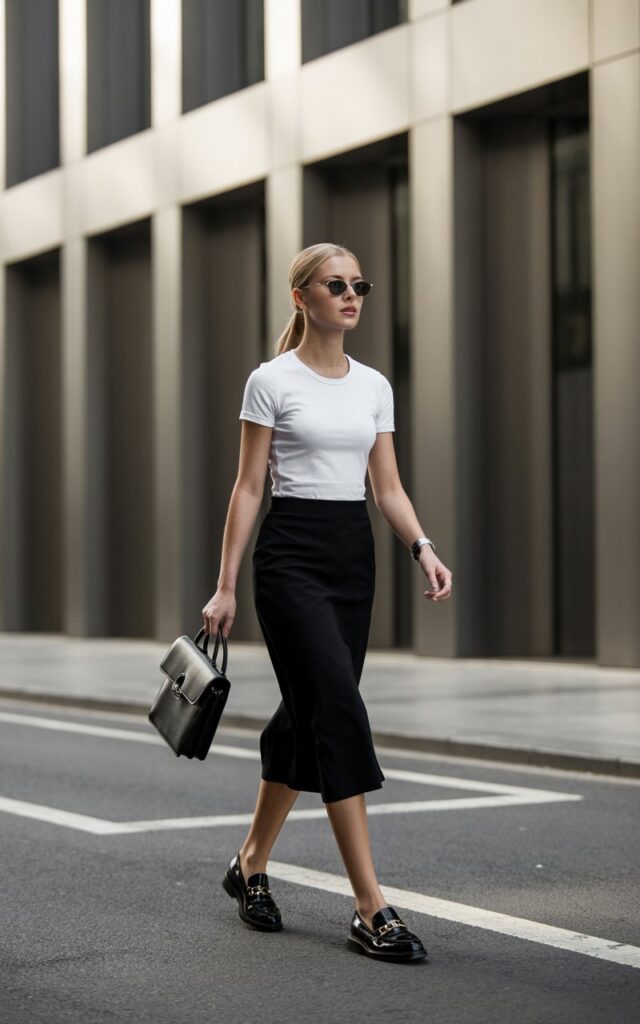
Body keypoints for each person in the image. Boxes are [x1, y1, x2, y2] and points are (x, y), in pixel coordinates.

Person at [202, 242, 453, 963]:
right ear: (301, 297)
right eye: (335, 284)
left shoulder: (373, 385)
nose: (350, 295)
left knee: (308, 713)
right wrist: (226, 584)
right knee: (338, 710)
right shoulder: (270, 380)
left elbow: (387, 487)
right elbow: (250, 486)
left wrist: (422, 546)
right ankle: (371, 909)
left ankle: (250, 862)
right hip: (290, 557)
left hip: (352, 558)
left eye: (359, 286)